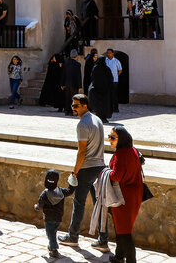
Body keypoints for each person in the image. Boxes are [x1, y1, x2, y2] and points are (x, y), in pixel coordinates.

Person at [58, 94, 110, 251]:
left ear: (85, 106)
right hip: (100, 167)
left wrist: (75, 172)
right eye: (72, 105)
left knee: (79, 203)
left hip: (86, 169)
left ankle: (73, 237)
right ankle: (103, 240)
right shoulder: (98, 120)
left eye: (76, 106)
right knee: (98, 205)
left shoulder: (82, 124)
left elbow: (82, 152)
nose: (73, 108)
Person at [107, 126, 144, 263]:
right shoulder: (132, 150)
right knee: (121, 228)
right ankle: (119, 255)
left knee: (125, 231)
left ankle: (131, 260)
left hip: (123, 198)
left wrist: (105, 173)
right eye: (109, 136)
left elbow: (116, 176)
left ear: (120, 139)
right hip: (133, 195)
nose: (109, 140)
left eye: (112, 137)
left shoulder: (121, 155)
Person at [34, 169, 66, 258]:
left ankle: (53, 249)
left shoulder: (44, 193)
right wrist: (73, 182)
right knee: (54, 231)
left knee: (50, 233)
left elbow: (40, 204)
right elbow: (70, 191)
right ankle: (51, 245)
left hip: (48, 218)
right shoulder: (61, 191)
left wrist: (36, 207)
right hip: (59, 217)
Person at [87, 55, 113, 123]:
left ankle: (98, 117)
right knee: (105, 104)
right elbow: (111, 79)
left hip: (96, 90)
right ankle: (104, 118)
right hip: (105, 91)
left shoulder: (95, 68)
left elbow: (93, 78)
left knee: (97, 104)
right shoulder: (107, 68)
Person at [61, 50, 82, 115]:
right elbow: (79, 75)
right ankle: (74, 111)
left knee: (67, 98)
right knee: (75, 99)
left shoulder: (66, 63)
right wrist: (80, 86)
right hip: (74, 84)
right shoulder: (77, 64)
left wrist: (62, 84)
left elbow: (63, 74)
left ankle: (67, 111)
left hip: (67, 84)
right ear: (76, 56)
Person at [104, 48, 123, 114]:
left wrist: (116, 75)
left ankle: (115, 108)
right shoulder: (105, 61)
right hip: (107, 80)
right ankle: (108, 107)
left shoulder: (116, 61)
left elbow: (120, 70)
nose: (108, 54)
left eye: (110, 53)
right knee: (107, 94)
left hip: (114, 80)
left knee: (114, 94)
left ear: (112, 53)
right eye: (107, 53)